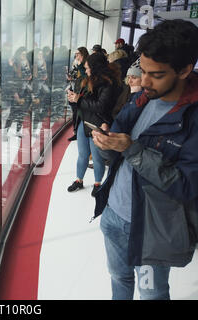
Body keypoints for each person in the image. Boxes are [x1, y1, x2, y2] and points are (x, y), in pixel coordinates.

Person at [92, 19, 198, 300]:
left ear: (185, 70)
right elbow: (116, 149)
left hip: (153, 227)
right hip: (114, 214)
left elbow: (187, 185)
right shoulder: (142, 99)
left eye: (157, 74)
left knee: (152, 294)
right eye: (143, 70)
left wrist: (132, 149)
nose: (144, 81)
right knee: (118, 278)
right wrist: (105, 144)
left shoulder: (193, 119)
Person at [67, 52, 122, 197]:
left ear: (95, 67)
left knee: (97, 158)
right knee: (82, 155)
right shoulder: (87, 81)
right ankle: (79, 180)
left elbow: (100, 107)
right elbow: (81, 104)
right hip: (83, 122)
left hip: (97, 125)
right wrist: (73, 99)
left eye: (87, 68)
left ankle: (98, 184)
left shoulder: (109, 84)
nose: (85, 71)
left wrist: (78, 99)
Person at [66, 47, 89, 142]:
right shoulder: (77, 63)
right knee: (75, 112)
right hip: (76, 88)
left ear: (83, 54)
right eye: (75, 54)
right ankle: (76, 132)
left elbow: (85, 76)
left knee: (78, 113)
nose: (76, 56)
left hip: (82, 91)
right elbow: (77, 75)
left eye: (78, 54)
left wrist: (79, 66)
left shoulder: (85, 64)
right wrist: (71, 77)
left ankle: (79, 133)